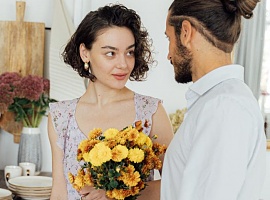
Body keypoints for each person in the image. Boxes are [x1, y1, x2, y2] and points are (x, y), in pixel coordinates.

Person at [48, 4, 174, 200]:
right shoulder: (60, 116)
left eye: (129, 52)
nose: (123, 64)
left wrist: (117, 193)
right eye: (110, 53)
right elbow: (59, 192)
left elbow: (176, 184)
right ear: (85, 53)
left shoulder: (151, 112)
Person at [161, 0, 266, 199]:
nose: (168, 54)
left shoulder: (224, 106)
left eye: (169, 38)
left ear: (185, 32)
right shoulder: (219, 101)